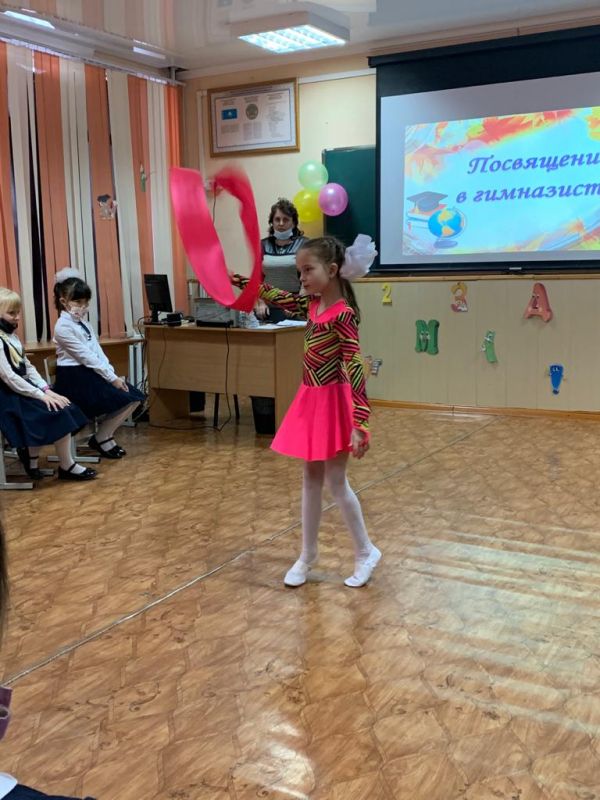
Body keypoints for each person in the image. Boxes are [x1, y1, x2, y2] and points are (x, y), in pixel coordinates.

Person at [233, 235, 381, 587]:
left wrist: (360, 420)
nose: (301, 278)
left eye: (307, 270)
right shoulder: (311, 305)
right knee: (310, 478)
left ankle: (365, 551)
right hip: (311, 399)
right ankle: (307, 555)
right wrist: (242, 282)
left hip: (334, 403)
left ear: (332, 270)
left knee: (336, 482)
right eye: (299, 271)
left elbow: (354, 364)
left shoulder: (343, 314)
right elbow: (277, 296)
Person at [0, 288, 96, 482]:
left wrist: (45, 389)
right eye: (11, 313)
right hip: (8, 397)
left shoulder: (12, 337)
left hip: (22, 390)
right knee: (55, 412)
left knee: (65, 407)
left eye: (18, 312)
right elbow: (9, 377)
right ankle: (63, 465)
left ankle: (35, 459)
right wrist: (41, 395)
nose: (17, 317)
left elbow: (27, 367)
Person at [52, 269, 145, 459]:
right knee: (126, 397)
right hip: (74, 378)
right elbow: (85, 356)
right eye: (78, 302)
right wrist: (111, 378)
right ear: (63, 301)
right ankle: (103, 438)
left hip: (88, 373)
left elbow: (97, 352)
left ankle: (104, 436)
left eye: (86, 303)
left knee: (135, 396)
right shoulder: (62, 327)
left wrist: (112, 373)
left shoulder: (83, 323)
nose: (83, 307)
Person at [255, 198, 308, 322]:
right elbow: (257, 277)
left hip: (295, 308)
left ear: (293, 223)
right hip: (267, 308)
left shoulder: (304, 244)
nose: (281, 223)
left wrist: (297, 304)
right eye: (277, 219)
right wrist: (260, 302)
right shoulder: (262, 245)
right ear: (272, 222)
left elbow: (308, 277)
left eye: (286, 219)